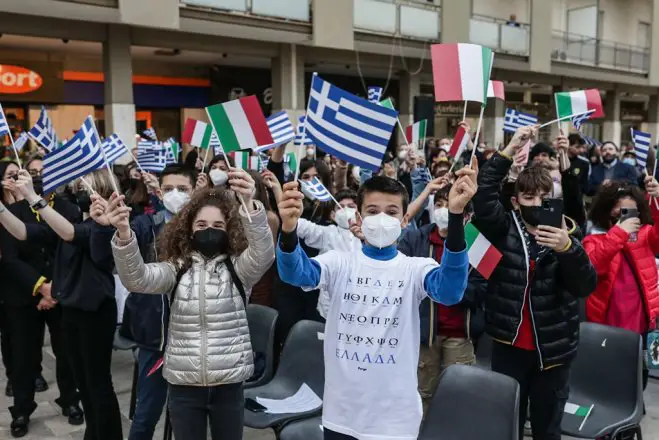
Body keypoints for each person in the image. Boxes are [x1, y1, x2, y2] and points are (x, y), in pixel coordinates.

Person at [276, 170, 475, 440]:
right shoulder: (339, 262)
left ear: (406, 219)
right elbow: (296, 273)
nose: (382, 218)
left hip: (394, 419)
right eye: (372, 210)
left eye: (392, 212)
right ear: (358, 217)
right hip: (341, 413)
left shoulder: (415, 268)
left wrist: (455, 216)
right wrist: (288, 230)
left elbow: (450, 291)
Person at [109, 169, 275, 440]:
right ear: (188, 229)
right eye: (201, 225)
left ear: (230, 230)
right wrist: (125, 235)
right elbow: (137, 279)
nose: (209, 231)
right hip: (184, 386)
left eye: (218, 226)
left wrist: (249, 205)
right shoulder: (176, 268)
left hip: (229, 384)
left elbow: (263, 254)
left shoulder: (239, 269)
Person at [471, 126, 597, 440]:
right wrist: (510, 148)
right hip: (508, 347)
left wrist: (567, 249)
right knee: (506, 423)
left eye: (544, 196)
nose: (537, 202)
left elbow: (585, 287)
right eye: (529, 196)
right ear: (516, 201)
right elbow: (485, 191)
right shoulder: (503, 227)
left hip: (553, 353)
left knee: (547, 429)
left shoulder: (567, 232)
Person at [0, 169, 124, 440]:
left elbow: (71, 234)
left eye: (86, 188)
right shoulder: (74, 221)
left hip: (95, 313)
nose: (79, 194)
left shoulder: (105, 229)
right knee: (85, 384)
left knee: (98, 384)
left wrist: (33, 197)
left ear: (103, 194)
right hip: (71, 311)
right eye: (78, 188)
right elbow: (22, 232)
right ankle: (93, 433)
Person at [0, 156, 83, 437]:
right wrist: (40, 286)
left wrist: (54, 289)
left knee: (67, 352)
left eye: (42, 172)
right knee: (23, 356)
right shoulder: (14, 211)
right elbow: (10, 258)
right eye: (31, 172)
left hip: (62, 294)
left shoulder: (69, 209)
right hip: (24, 297)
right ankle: (22, 409)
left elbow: (70, 251)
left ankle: (71, 401)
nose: (37, 176)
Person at [120, 165, 196, 440]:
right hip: (156, 338)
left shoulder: (208, 228)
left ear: (194, 190)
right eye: (168, 189)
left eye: (182, 189)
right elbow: (122, 260)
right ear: (159, 192)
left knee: (190, 418)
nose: (175, 194)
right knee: (146, 413)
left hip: (195, 339)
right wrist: (118, 231)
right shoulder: (144, 226)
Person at [398, 185, 485, 414]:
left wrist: (448, 288)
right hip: (425, 335)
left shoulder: (477, 242)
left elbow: (482, 289)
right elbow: (402, 278)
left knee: (459, 398)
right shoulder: (416, 238)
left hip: (460, 334)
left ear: (467, 215)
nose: (444, 210)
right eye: (439, 204)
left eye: (451, 204)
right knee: (421, 395)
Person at [583, 180, 659, 389]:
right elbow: (594, 266)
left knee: (637, 385)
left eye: (631, 212)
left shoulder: (645, 236)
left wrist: (658, 198)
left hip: (642, 328)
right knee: (608, 385)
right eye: (620, 212)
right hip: (607, 330)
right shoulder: (594, 240)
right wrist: (620, 232)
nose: (626, 217)